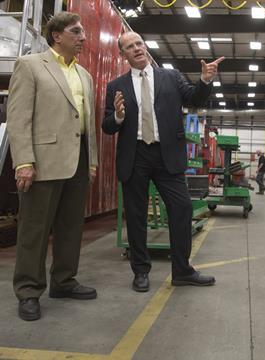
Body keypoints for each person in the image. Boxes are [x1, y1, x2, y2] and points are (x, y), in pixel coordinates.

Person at [102, 32, 222, 291]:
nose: (136, 49)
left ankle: (182, 270)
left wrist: (204, 80)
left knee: (181, 210)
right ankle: (141, 272)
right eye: (129, 47)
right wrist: (119, 117)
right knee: (135, 217)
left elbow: (194, 99)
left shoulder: (170, 76)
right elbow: (107, 125)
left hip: (167, 154)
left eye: (139, 44)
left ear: (144, 47)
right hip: (134, 156)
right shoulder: (116, 86)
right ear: (123, 54)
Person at [7, 12, 98, 321]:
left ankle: (64, 281)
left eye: (83, 32)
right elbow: (19, 119)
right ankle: (29, 291)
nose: (83, 37)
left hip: (78, 161)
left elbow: (87, 124)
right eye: (76, 32)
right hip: (43, 162)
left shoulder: (85, 75)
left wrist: (93, 162)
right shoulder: (31, 65)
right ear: (57, 35)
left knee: (71, 228)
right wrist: (24, 161)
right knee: (34, 230)